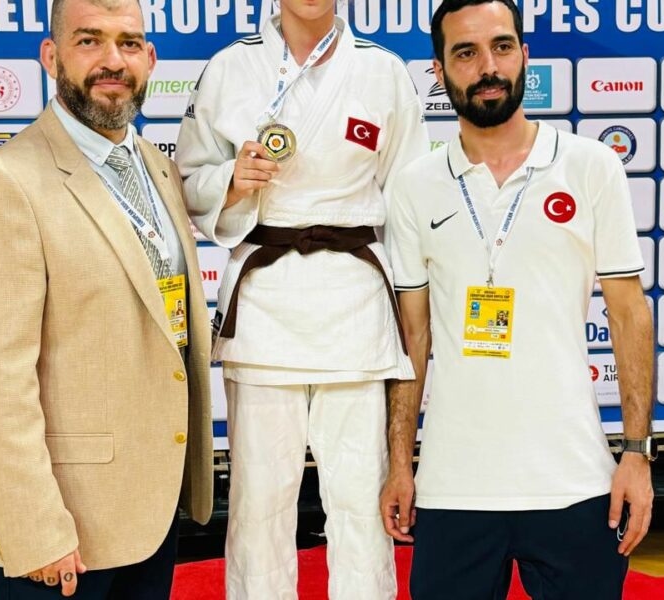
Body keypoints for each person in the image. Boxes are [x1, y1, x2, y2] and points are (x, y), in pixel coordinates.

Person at [380, 1, 655, 598]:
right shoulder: (413, 186)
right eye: (466, 52)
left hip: (575, 482)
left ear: (525, 55)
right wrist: (400, 461)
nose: (488, 67)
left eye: (502, 46)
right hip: (453, 487)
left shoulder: (591, 167)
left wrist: (636, 453)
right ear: (438, 71)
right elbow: (411, 338)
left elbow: (628, 313)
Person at [0, 1, 213, 597]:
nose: (113, 61)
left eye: (129, 43)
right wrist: (35, 528)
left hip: (151, 511)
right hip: (61, 534)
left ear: (150, 59)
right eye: (89, 41)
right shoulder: (2, 185)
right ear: (51, 55)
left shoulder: (158, 169)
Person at [175, 0, 429, 597]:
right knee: (258, 503)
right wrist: (230, 182)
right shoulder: (229, 67)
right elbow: (187, 179)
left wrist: (413, 303)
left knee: (361, 500)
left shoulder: (383, 71)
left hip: (355, 305)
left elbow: (410, 198)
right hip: (264, 305)